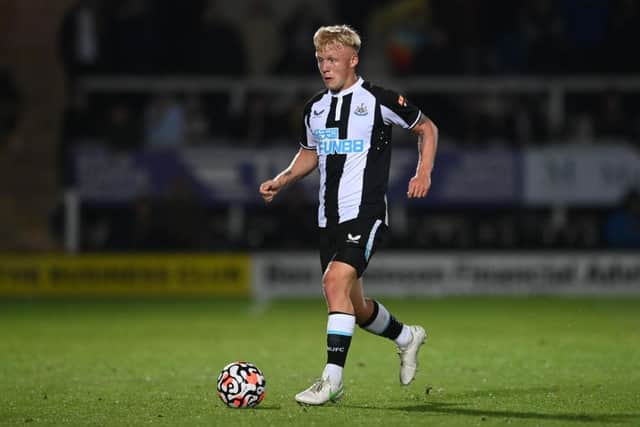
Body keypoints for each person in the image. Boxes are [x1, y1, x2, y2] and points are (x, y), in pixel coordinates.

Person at [259, 25, 438, 405]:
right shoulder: (315, 108)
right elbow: (310, 153)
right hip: (329, 219)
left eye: (333, 60)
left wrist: (423, 172)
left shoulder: (377, 100)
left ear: (353, 60)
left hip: (366, 212)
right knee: (355, 307)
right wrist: (283, 179)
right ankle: (407, 337)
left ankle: (331, 380)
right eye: (321, 60)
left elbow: (426, 127)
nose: (325, 67)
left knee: (333, 281)